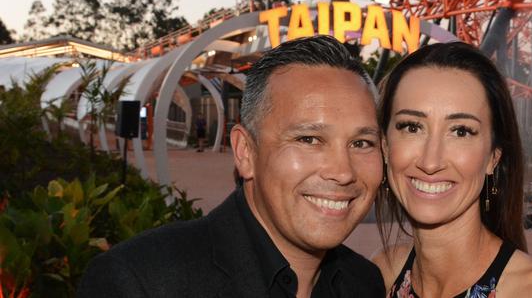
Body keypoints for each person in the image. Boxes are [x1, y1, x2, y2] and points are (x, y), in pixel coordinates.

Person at [77, 35, 385, 297]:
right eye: (309, 139)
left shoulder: (365, 284)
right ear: (245, 151)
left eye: (361, 143)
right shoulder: (141, 282)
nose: (343, 171)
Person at [372, 42, 532, 297]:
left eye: (461, 131)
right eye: (412, 127)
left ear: (493, 156)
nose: (430, 161)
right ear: (384, 144)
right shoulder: (382, 274)